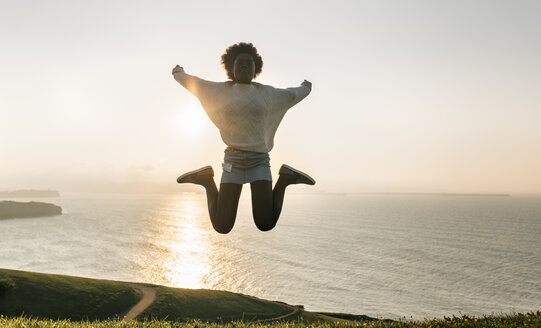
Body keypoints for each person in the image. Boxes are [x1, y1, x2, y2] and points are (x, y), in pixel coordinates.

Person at [172, 42, 314, 234]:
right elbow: (196, 84)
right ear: (231, 68)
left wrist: (305, 87)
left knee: (265, 223)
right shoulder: (222, 90)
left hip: (259, 161)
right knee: (222, 225)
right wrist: (179, 73)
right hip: (233, 161)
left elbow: (291, 95)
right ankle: (206, 179)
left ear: (256, 69)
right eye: (240, 63)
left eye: (249, 63)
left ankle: (286, 178)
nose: (245, 66)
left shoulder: (267, 93)